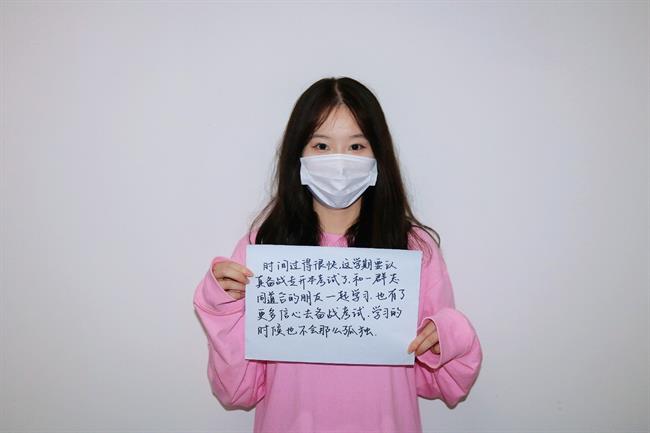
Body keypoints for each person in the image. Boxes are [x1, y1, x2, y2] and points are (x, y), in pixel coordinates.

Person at [193, 76, 483, 433]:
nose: (340, 162)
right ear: (298, 155)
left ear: (378, 155)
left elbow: (441, 382)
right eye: (321, 145)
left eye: (357, 146)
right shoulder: (263, 247)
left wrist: (450, 336)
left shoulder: (413, 249)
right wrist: (221, 307)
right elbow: (237, 390)